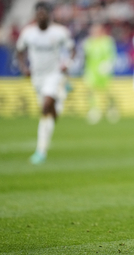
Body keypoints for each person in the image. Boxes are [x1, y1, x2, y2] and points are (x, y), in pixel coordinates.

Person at [16, 1, 75, 164]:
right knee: (50, 113)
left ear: (49, 15)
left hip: (54, 74)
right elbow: (20, 51)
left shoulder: (59, 32)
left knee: (45, 107)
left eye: (44, 13)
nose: (41, 16)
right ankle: (60, 98)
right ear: (35, 15)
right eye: (38, 13)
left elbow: (72, 50)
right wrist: (24, 68)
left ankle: (40, 151)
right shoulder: (28, 33)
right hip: (37, 77)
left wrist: (67, 64)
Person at [83, 23, 119, 124]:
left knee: (108, 91)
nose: (95, 32)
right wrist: (86, 70)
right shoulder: (88, 42)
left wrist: (108, 66)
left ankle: (111, 109)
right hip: (92, 71)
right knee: (91, 91)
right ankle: (94, 110)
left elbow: (112, 55)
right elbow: (86, 57)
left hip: (104, 72)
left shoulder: (107, 41)